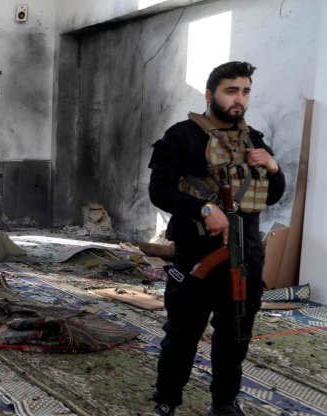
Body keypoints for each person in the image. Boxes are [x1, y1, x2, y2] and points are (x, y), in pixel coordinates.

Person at [147, 61, 285, 416]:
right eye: (231, 90)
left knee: (236, 331)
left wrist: (272, 167)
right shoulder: (181, 137)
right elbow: (160, 191)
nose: (239, 98)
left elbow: (271, 197)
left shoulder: (254, 141)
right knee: (183, 331)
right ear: (210, 95)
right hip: (197, 253)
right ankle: (167, 400)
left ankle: (224, 403)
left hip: (246, 253)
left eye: (245, 91)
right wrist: (203, 209)